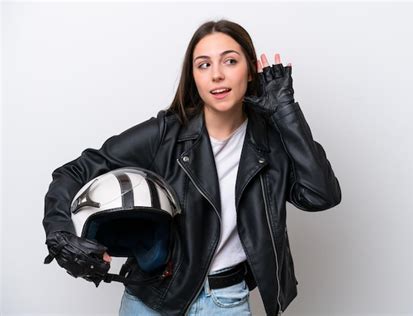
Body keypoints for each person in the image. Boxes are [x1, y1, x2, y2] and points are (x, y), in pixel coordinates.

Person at [43, 19, 342, 315]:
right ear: (194, 78)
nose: (217, 75)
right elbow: (74, 171)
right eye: (204, 65)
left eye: (230, 61)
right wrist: (60, 233)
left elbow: (321, 195)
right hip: (152, 300)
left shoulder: (272, 142)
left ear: (251, 70)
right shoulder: (165, 134)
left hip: (227, 301)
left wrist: (286, 111)